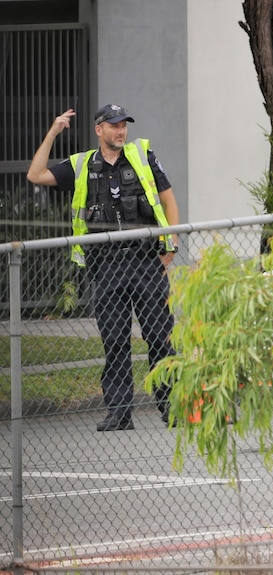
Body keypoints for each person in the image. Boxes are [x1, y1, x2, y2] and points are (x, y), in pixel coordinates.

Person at [27, 105, 180, 431]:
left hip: (145, 262)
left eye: (123, 125)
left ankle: (171, 405)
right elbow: (35, 174)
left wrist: (173, 243)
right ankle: (119, 413)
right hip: (106, 266)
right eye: (113, 126)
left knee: (160, 337)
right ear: (99, 130)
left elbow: (168, 199)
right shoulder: (82, 164)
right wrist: (54, 131)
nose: (120, 131)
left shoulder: (142, 155)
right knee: (115, 342)